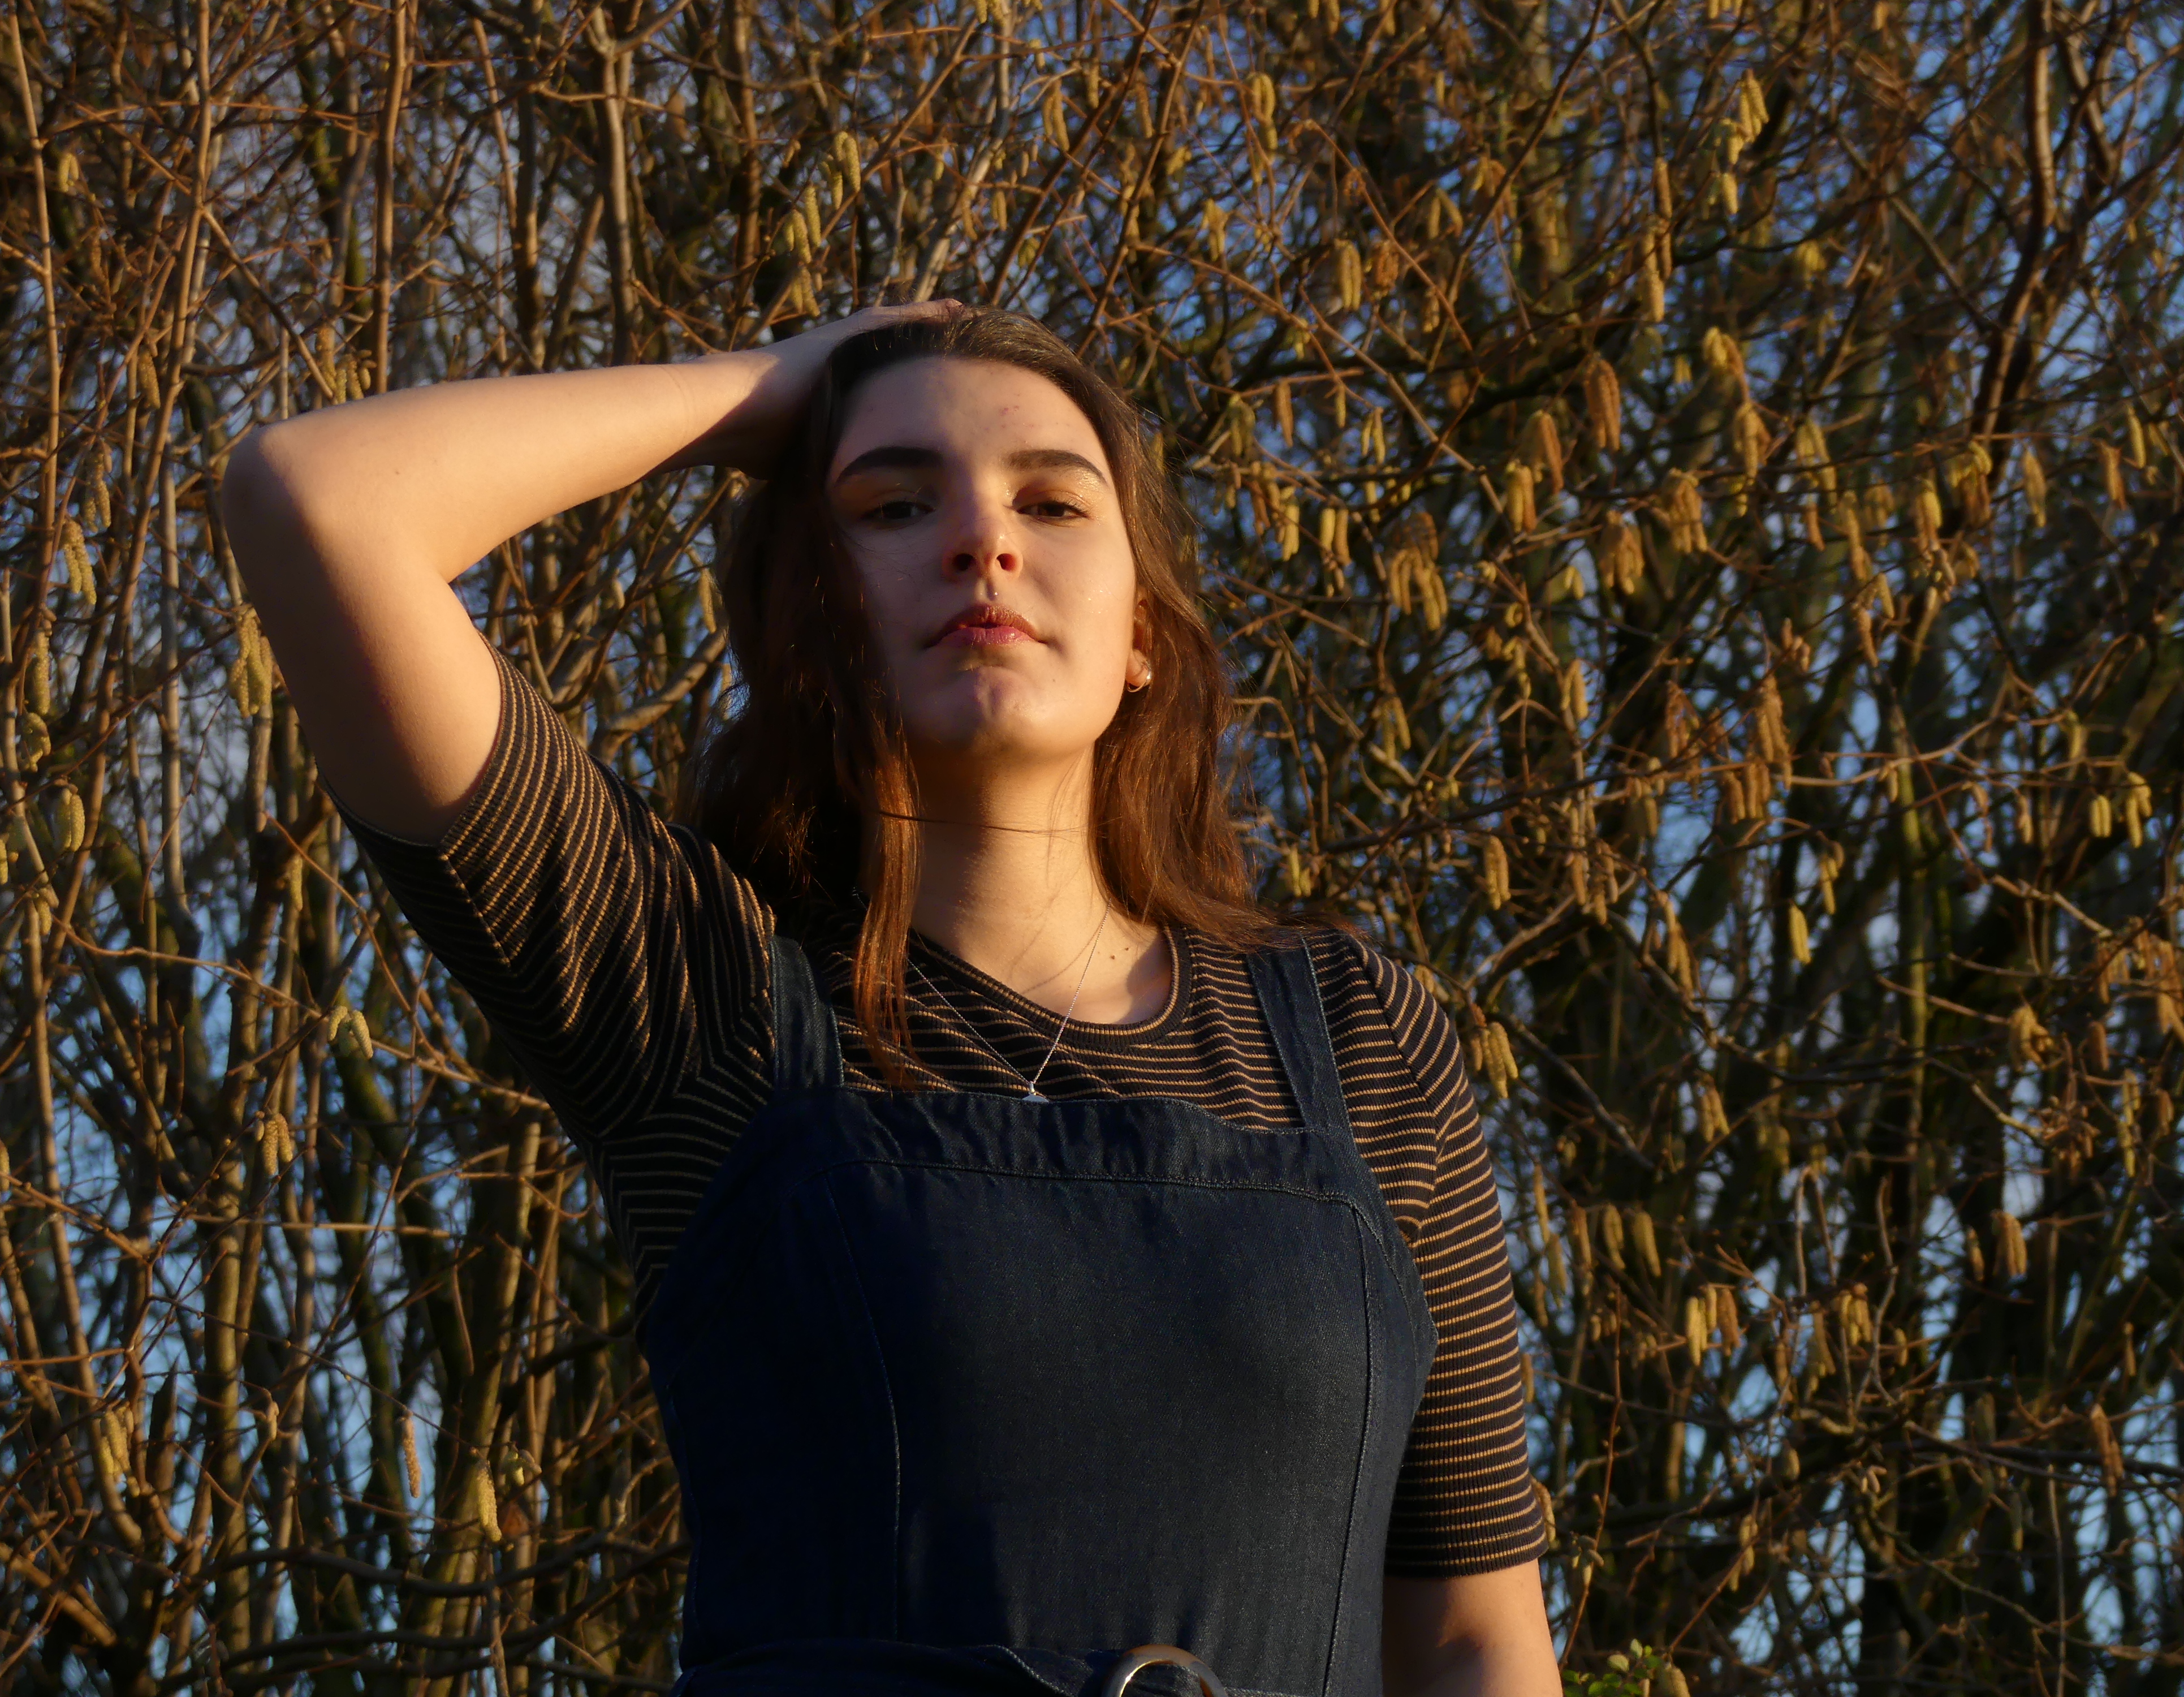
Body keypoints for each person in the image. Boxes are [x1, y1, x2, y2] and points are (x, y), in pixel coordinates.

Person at [226, 303, 1563, 1697]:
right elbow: (315, 501)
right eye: (893, 503)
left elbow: (1474, 1638)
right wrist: (778, 384)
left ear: (1143, 638)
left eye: (1051, 500)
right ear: (811, 611)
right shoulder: (698, 998)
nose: (981, 540)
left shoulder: (1356, 1037)